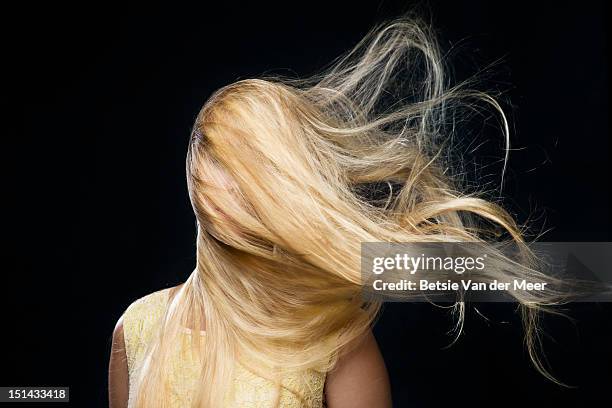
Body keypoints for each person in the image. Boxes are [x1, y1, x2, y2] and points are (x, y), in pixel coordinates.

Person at [108, 15, 563, 408]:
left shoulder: (332, 335)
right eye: (225, 172)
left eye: (256, 174)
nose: (231, 196)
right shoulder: (138, 327)